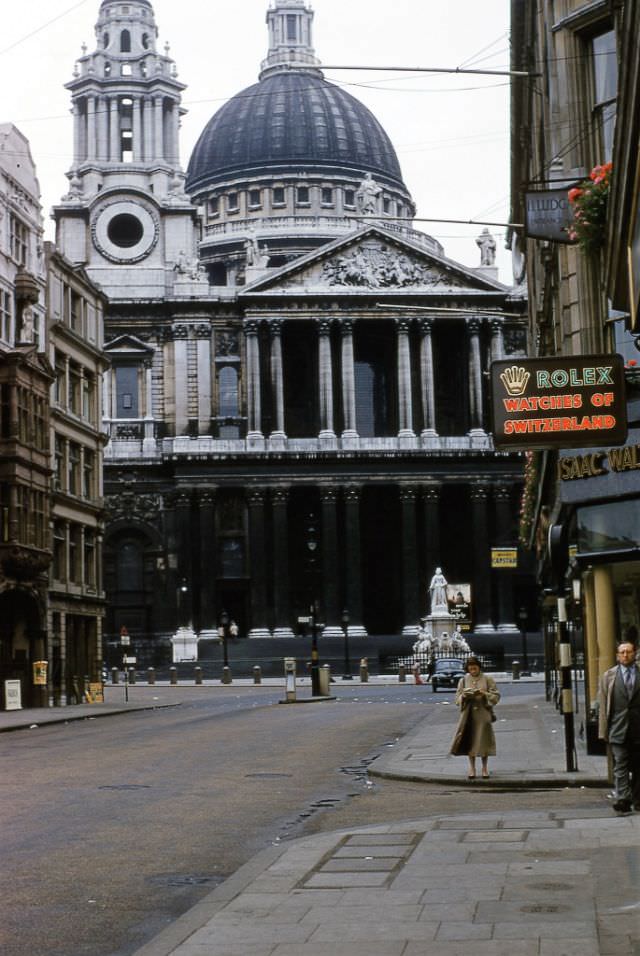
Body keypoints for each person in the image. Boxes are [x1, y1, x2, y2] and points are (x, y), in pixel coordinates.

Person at [598, 641, 640, 813]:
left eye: (628, 652)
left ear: (635, 654)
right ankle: (623, 798)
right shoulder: (608, 677)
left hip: (638, 728)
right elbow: (603, 705)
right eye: (622, 652)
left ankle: (638, 799)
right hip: (617, 727)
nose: (625, 655)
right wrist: (603, 730)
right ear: (617, 655)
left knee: (638, 765)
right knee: (620, 764)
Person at [450, 656, 500, 779]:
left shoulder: (487, 679)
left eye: (475, 668)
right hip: (469, 715)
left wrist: (484, 694)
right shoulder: (463, 680)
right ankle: (472, 768)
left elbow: (496, 696)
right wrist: (464, 696)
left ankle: (484, 768)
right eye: (470, 669)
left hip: (483, 714)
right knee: (470, 741)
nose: (473, 671)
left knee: (484, 741)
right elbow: (457, 699)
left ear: (479, 667)